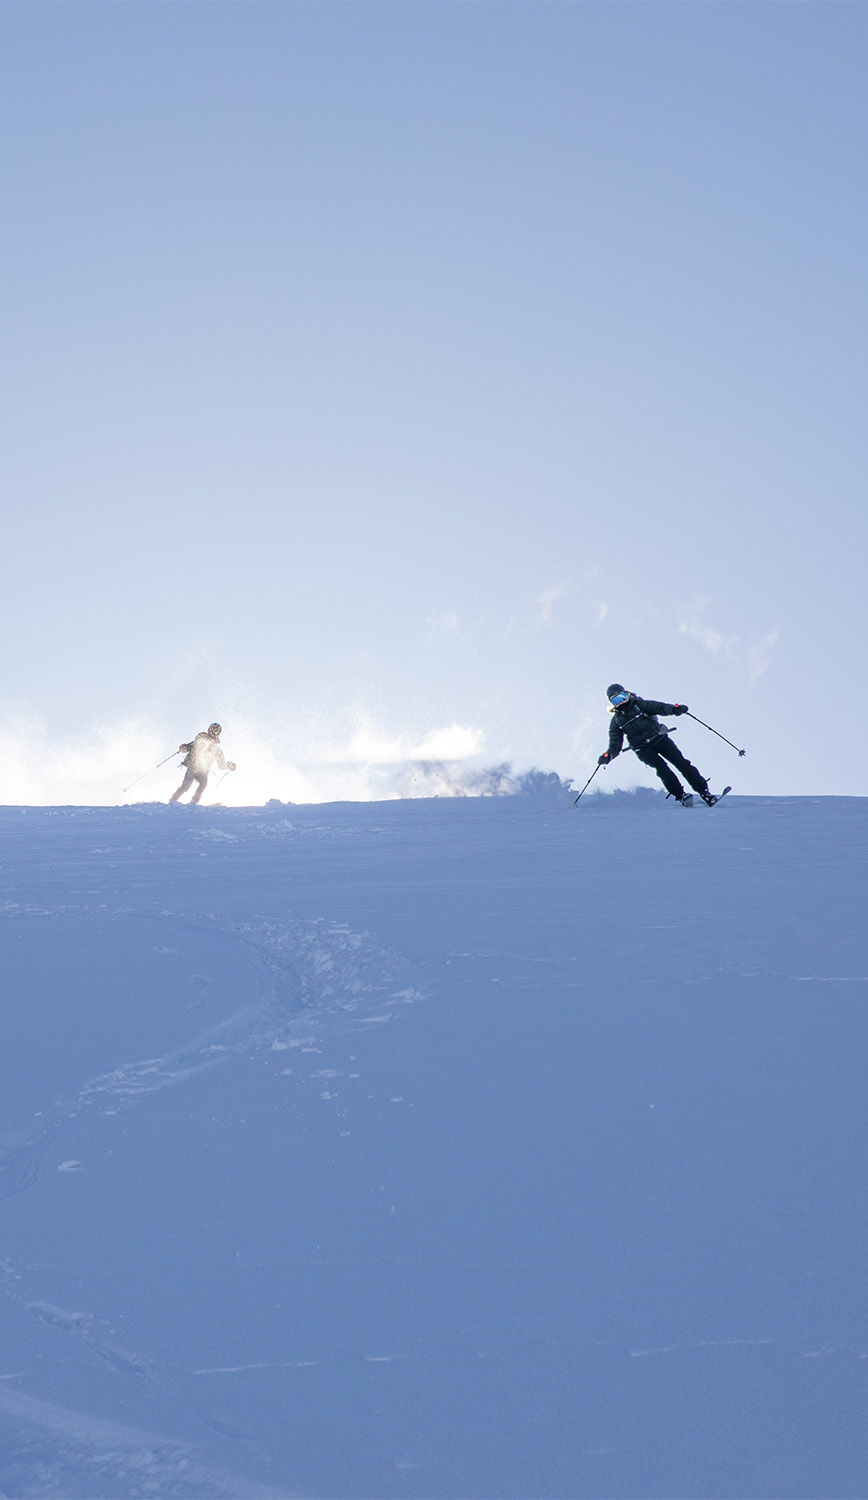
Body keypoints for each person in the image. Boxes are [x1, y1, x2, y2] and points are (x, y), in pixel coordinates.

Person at [597, 684, 719, 806]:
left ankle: (705, 793)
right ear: (611, 703)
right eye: (615, 700)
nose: (621, 702)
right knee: (662, 769)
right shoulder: (616, 721)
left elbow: (659, 707)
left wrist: (674, 709)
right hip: (642, 749)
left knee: (681, 763)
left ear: (627, 694)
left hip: (659, 739)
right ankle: (680, 795)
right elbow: (615, 744)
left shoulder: (639, 705)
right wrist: (608, 756)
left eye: (622, 697)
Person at [169, 723, 236, 804]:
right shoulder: (201, 740)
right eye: (214, 730)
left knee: (203, 784)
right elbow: (188, 747)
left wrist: (228, 766)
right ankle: (173, 800)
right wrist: (183, 747)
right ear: (209, 730)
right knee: (186, 786)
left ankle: (193, 802)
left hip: (203, 770)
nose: (215, 732)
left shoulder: (217, 749)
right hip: (193, 766)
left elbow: (221, 765)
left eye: (217, 731)